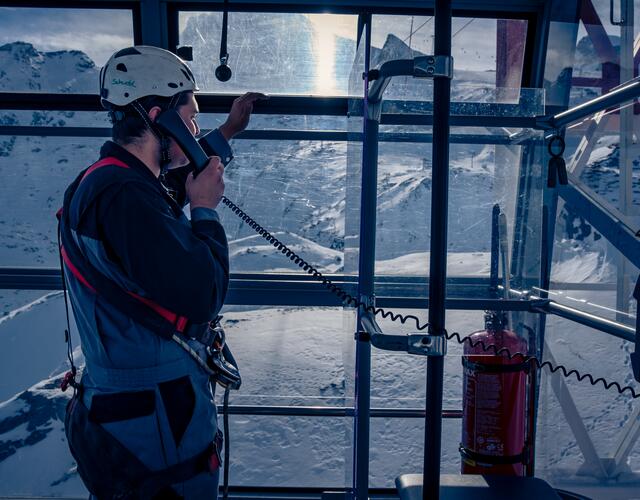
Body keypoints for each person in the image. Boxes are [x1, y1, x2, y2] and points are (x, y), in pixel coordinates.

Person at [58, 45, 265, 499]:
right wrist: (206, 211)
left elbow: (171, 188)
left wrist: (228, 131)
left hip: (143, 412)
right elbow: (204, 290)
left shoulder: (116, 181)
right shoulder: (125, 198)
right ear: (159, 118)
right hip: (156, 423)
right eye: (189, 121)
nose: (194, 130)